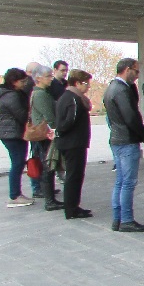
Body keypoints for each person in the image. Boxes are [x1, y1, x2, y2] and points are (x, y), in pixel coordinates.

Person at [103, 58, 144, 232]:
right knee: (128, 182)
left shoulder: (112, 88)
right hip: (126, 139)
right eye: (136, 71)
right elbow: (130, 117)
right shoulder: (121, 90)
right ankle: (126, 219)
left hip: (117, 138)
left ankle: (118, 218)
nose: (137, 76)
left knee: (121, 181)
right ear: (127, 70)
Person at [54, 71, 94, 219]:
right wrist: (64, 132)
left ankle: (73, 206)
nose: (88, 86)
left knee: (74, 175)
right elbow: (67, 122)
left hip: (72, 142)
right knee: (74, 176)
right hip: (73, 143)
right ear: (76, 83)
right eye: (86, 83)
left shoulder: (67, 96)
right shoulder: (73, 98)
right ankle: (71, 209)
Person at [0, 68, 33, 207]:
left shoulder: (10, 93)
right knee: (17, 163)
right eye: (22, 81)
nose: (24, 83)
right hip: (12, 134)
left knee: (17, 163)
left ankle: (16, 194)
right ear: (13, 82)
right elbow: (22, 115)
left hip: (10, 133)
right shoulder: (12, 96)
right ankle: (15, 195)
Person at [29, 65, 61, 207]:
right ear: (39, 78)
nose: (51, 79)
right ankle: (49, 200)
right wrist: (56, 131)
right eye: (48, 76)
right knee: (48, 166)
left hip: (42, 135)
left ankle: (49, 197)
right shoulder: (41, 94)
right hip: (45, 135)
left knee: (46, 166)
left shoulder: (38, 93)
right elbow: (49, 117)